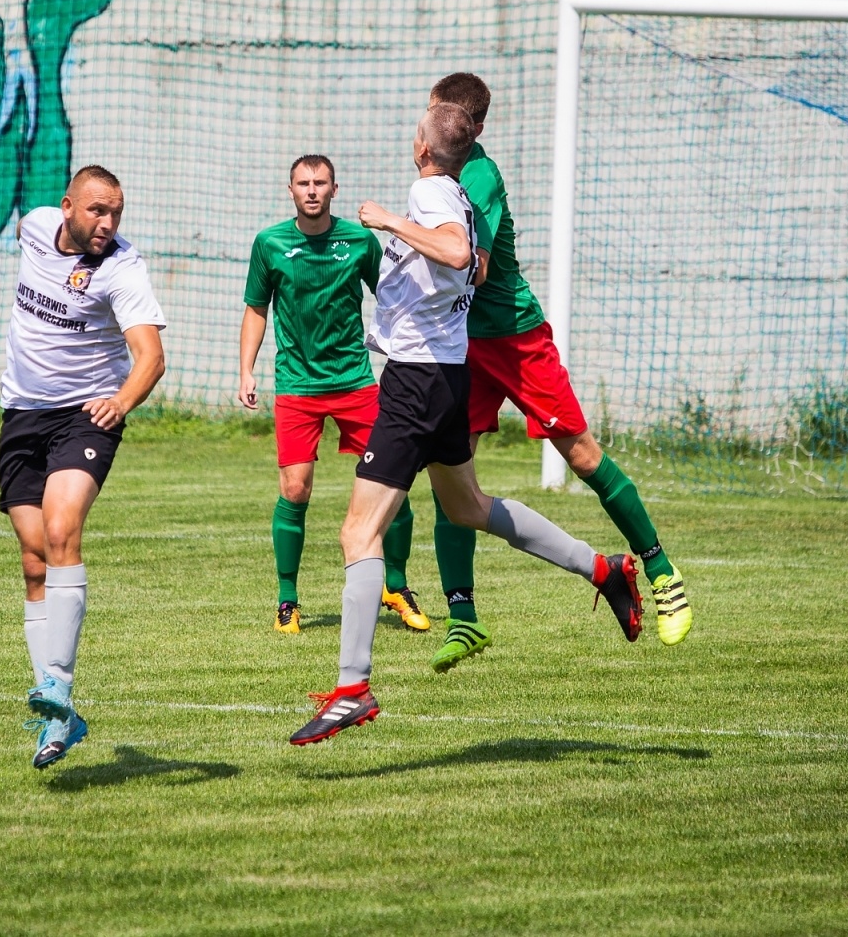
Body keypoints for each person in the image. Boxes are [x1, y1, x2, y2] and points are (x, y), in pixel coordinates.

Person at [289, 105, 639, 746]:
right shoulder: (456, 190)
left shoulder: (427, 191)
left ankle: (352, 688)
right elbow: (466, 261)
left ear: (424, 144)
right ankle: (603, 570)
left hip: (417, 383)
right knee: (469, 505)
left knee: (357, 532)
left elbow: (455, 253)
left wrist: (389, 220)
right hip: (445, 375)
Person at [425, 72, 692, 672]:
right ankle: (463, 617)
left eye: (447, 118)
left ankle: (658, 567)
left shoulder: (479, 177)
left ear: (473, 130)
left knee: (584, 457)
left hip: (515, 338)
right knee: (450, 473)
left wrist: (406, 236)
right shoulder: (433, 178)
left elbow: (479, 268)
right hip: (460, 344)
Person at [0, 165, 167, 767]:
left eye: (117, 212)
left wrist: (120, 401)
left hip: (85, 416)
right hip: (21, 415)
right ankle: (61, 723)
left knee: (62, 528)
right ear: (67, 207)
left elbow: (151, 355)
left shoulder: (123, 268)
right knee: (33, 559)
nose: (108, 223)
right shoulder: (37, 226)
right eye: (97, 210)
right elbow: (24, 223)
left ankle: (57, 686)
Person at [239, 154, 429, 635]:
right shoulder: (270, 243)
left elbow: (390, 297)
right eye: (303, 183)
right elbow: (256, 309)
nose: (311, 190)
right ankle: (287, 597)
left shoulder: (359, 241)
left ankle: (398, 584)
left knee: (393, 485)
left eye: (319, 182)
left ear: (334, 189)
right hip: (298, 386)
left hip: (356, 383)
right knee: (295, 489)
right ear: (290, 190)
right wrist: (246, 371)